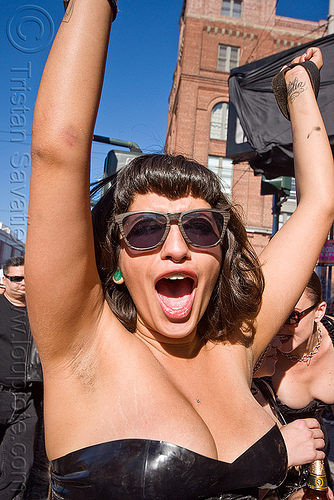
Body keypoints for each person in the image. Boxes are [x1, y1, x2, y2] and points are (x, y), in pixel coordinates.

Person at [25, 0, 334, 498]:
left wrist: (297, 87)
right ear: (117, 263)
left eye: (200, 228)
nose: (176, 249)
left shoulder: (237, 344)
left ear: (221, 253)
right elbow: (58, 148)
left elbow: (317, 205)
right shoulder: (82, 345)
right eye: (146, 229)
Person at [271, 271, 334, 495]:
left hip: (318, 469)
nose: (278, 326)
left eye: (292, 316)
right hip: (273, 474)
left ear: (319, 312)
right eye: (273, 314)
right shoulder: (263, 356)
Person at [0, 256, 49, 499]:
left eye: (26, 278)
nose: (22, 283)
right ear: (5, 280)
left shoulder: (42, 312)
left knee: (19, 469)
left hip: (28, 401)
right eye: (16, 278)